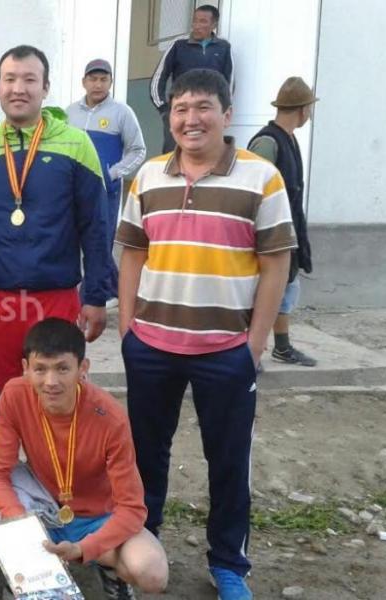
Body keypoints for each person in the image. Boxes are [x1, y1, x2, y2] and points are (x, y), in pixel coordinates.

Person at [117, 69, 296, 600]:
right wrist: (128, 331)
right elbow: (133, 254)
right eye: (180, 108)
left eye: (202, 107)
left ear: (226, 112)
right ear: (169, 116)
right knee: (145, 457)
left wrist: (254, 345)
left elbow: (276, 263)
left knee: (229, 459)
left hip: (226, 351)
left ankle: (228, 565)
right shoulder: (149, 177)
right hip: (152, 346)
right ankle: (142, 547)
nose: (190, 119)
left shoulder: (261, 178)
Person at [0, 318, 168, 599]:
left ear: (83, 369)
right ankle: (23, 572)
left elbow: (132, 509)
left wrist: (85, 549)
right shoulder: (14, 394)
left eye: (62, 368)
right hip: (40, 503)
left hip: (96, 515)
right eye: (40, 369)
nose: (51, 382)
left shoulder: (110, 417)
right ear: (25, 368)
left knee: (152, 571)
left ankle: (107, 567)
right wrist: (19, 521)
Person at [0, 44, 112, 412]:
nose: (18, 88)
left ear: (45, 88)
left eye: (29, 79)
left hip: (56, 297)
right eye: (9, 79)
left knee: (57, 397)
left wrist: (95, 296)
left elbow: (96, 226)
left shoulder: (77, 144)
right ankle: (7, 453)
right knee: (3, 398)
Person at [248, 76, 318, 367]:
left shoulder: (288, 139)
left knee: (287, 288)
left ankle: (282, 346)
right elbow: (252, 189)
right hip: (268, 234)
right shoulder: (267, 143)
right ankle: (250, 352)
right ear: (302, 110)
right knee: (261, 291)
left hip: (288, 230)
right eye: (309, 108)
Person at [67, 58, 146, 307]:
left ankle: (93, 298)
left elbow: (138, 150)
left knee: (100, 242)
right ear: (84, 82)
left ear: (111, 82)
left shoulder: (122, 113)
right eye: (93, 79)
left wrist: (113, 173)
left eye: (103, 79)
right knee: (76, 239)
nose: (98, 84)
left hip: (105, 192)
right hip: (74, 189)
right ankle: (117, 289)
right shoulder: (70, 113)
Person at [150, 5, 234, 153]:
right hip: (180, 110)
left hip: (209, 111)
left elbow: (229, 82)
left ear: (214, 25)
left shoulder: (223, 47)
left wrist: (223, 109)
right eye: (195, 20)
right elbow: (158, 77)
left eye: (203, 21)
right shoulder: (178, 45)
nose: (197, 25)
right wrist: (164, 109)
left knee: (207, 152)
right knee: (172, 153)